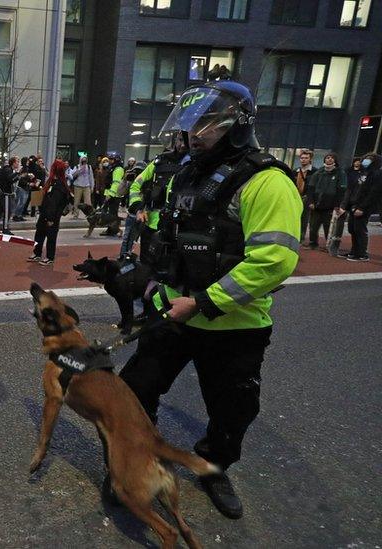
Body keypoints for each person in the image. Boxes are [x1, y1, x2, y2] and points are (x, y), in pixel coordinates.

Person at [118, 80, 303, 520]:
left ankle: (214, 467)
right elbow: (168, 240)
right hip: (172, 313)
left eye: (206, 125)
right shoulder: (186, 173)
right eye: (190, 125)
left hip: (233, 326)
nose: (194, 134)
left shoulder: (266, 182)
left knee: (232, 411)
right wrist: (153, 290)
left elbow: (275, 260)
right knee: (134, 390)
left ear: (236, 127)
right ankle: (140, 458)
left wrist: (201, 303)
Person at [129, 133, 188, 259]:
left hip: (178, 227)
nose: (182, 145)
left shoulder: (196, 164)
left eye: (186, 141)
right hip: (150, 225)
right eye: (180, 140)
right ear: (175, 139)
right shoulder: (159, 162)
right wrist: (138, 209)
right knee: (146, 267)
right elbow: (136, 185)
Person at [27, 158, 71, 266]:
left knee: (51, 236)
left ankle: (49, 257)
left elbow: (54, 203)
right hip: (45, 213)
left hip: (52, 215)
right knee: (40, 233)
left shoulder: (58, 185)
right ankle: (37, 253)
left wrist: (50, 218)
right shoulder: (53, 182)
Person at [341, 153, 382, 261]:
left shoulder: (376, 174)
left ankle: (362, 254)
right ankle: (354, 251)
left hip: (364, 207)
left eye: (370, 159)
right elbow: (355, 189)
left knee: (360, 229)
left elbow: (373, 193)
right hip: (354, 204)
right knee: (352, 229)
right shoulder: (363, 172)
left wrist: (362, 208)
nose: (366, 161)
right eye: (366, 158)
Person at [304, 153, 344, 249]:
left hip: (330, 206)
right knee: (313, 226)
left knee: (329, 227)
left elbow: (341, 190)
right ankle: (313, 243)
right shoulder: (319, 172)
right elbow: (311, 188)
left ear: (335, 160)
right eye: (327, 158)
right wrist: (311, 202)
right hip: (317, 204)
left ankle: (329, 245)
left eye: (332, 158)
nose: (329, 159)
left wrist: (337, 205)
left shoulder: (340, 173)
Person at [100, 152, 125, 236]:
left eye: (111, 159)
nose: (109, 161)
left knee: (113, 215)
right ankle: (110, 230)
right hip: (111, 193)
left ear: (116, 160)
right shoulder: (113, 168)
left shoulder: (118, 169)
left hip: (114, 195)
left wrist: (110, 194)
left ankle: (113, 231)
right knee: (110, 214)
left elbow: (116, 183)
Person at [295, 149, 315, 239]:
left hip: (307, 197)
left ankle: (301, 237)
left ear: (310, 159)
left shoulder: (315, 172)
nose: (303, 160)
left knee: (304, 218)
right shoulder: (296, 171)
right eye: (302, 158)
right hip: (296, 196)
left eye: (306, 158)